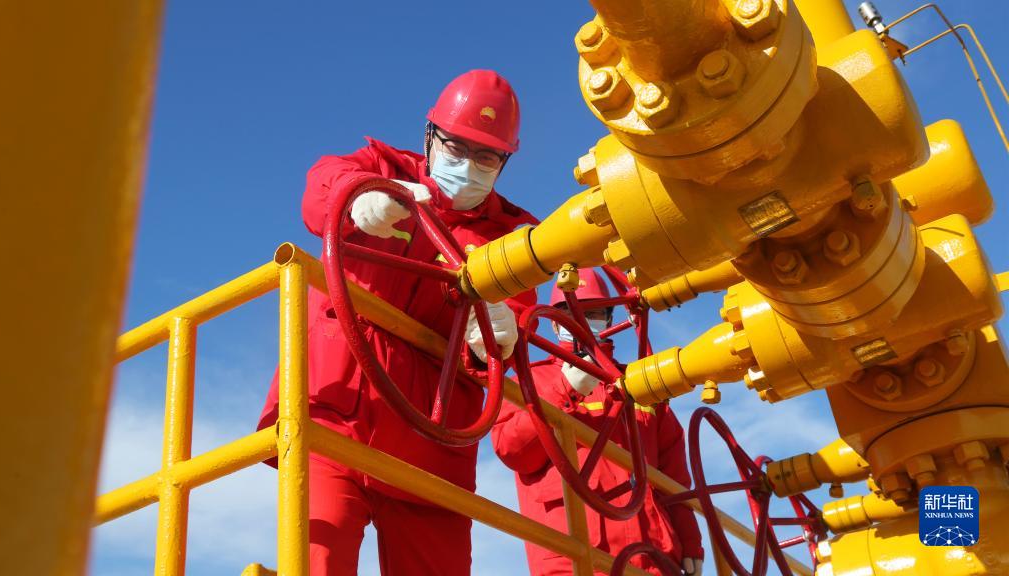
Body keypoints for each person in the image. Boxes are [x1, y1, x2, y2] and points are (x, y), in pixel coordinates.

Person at [258, 70, 538, 576]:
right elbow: (323, 183)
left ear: (505, 163)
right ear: (429, 136)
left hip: (434, 450)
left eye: (486, 157)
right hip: (335, 416)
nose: (468, 166)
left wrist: (501, 336)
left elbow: (512, 332)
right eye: (456, 147)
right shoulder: (381, 171)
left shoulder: (513, 239)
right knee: (317, 561)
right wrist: (356, 195)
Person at [492, 268, 705, 575]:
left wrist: (691, 542)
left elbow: (674, 480)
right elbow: (513, 450)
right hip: (575, 562)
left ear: (608, 319)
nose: (582, 319)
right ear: (555, 323)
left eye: (593, 312)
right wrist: (566, 389)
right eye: (571, 311)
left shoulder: (641, 386)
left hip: (655, 561)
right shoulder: (529, 381)